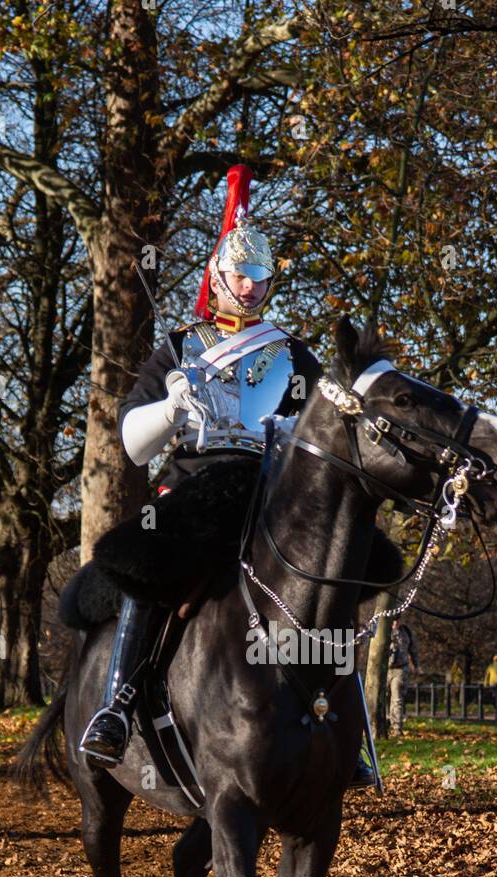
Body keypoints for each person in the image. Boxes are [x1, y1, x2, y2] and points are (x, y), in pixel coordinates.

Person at [79, 165, 374, 786]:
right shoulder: (181, 346)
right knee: (148, 564)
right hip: (194, 490)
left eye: (260, 275)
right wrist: (170, 407)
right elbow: (132, 444)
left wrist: (303, 436)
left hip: (272, 492)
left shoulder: (291, 353)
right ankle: (117, 707)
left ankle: (349, 728)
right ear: (217, 273)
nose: (250, 285)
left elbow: (326, 421)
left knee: (348, 565)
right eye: (240, 272)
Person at [387, 616, 420, 736]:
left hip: (400, 669)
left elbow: (413, 650)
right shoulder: (384, 630)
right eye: (393, 620)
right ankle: (384, 724)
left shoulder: (406, 632)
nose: (396, 623)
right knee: (383, 698)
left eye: (397, 620)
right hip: (384, 669)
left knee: (396, 698)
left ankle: (396, 727)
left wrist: (416, 666)